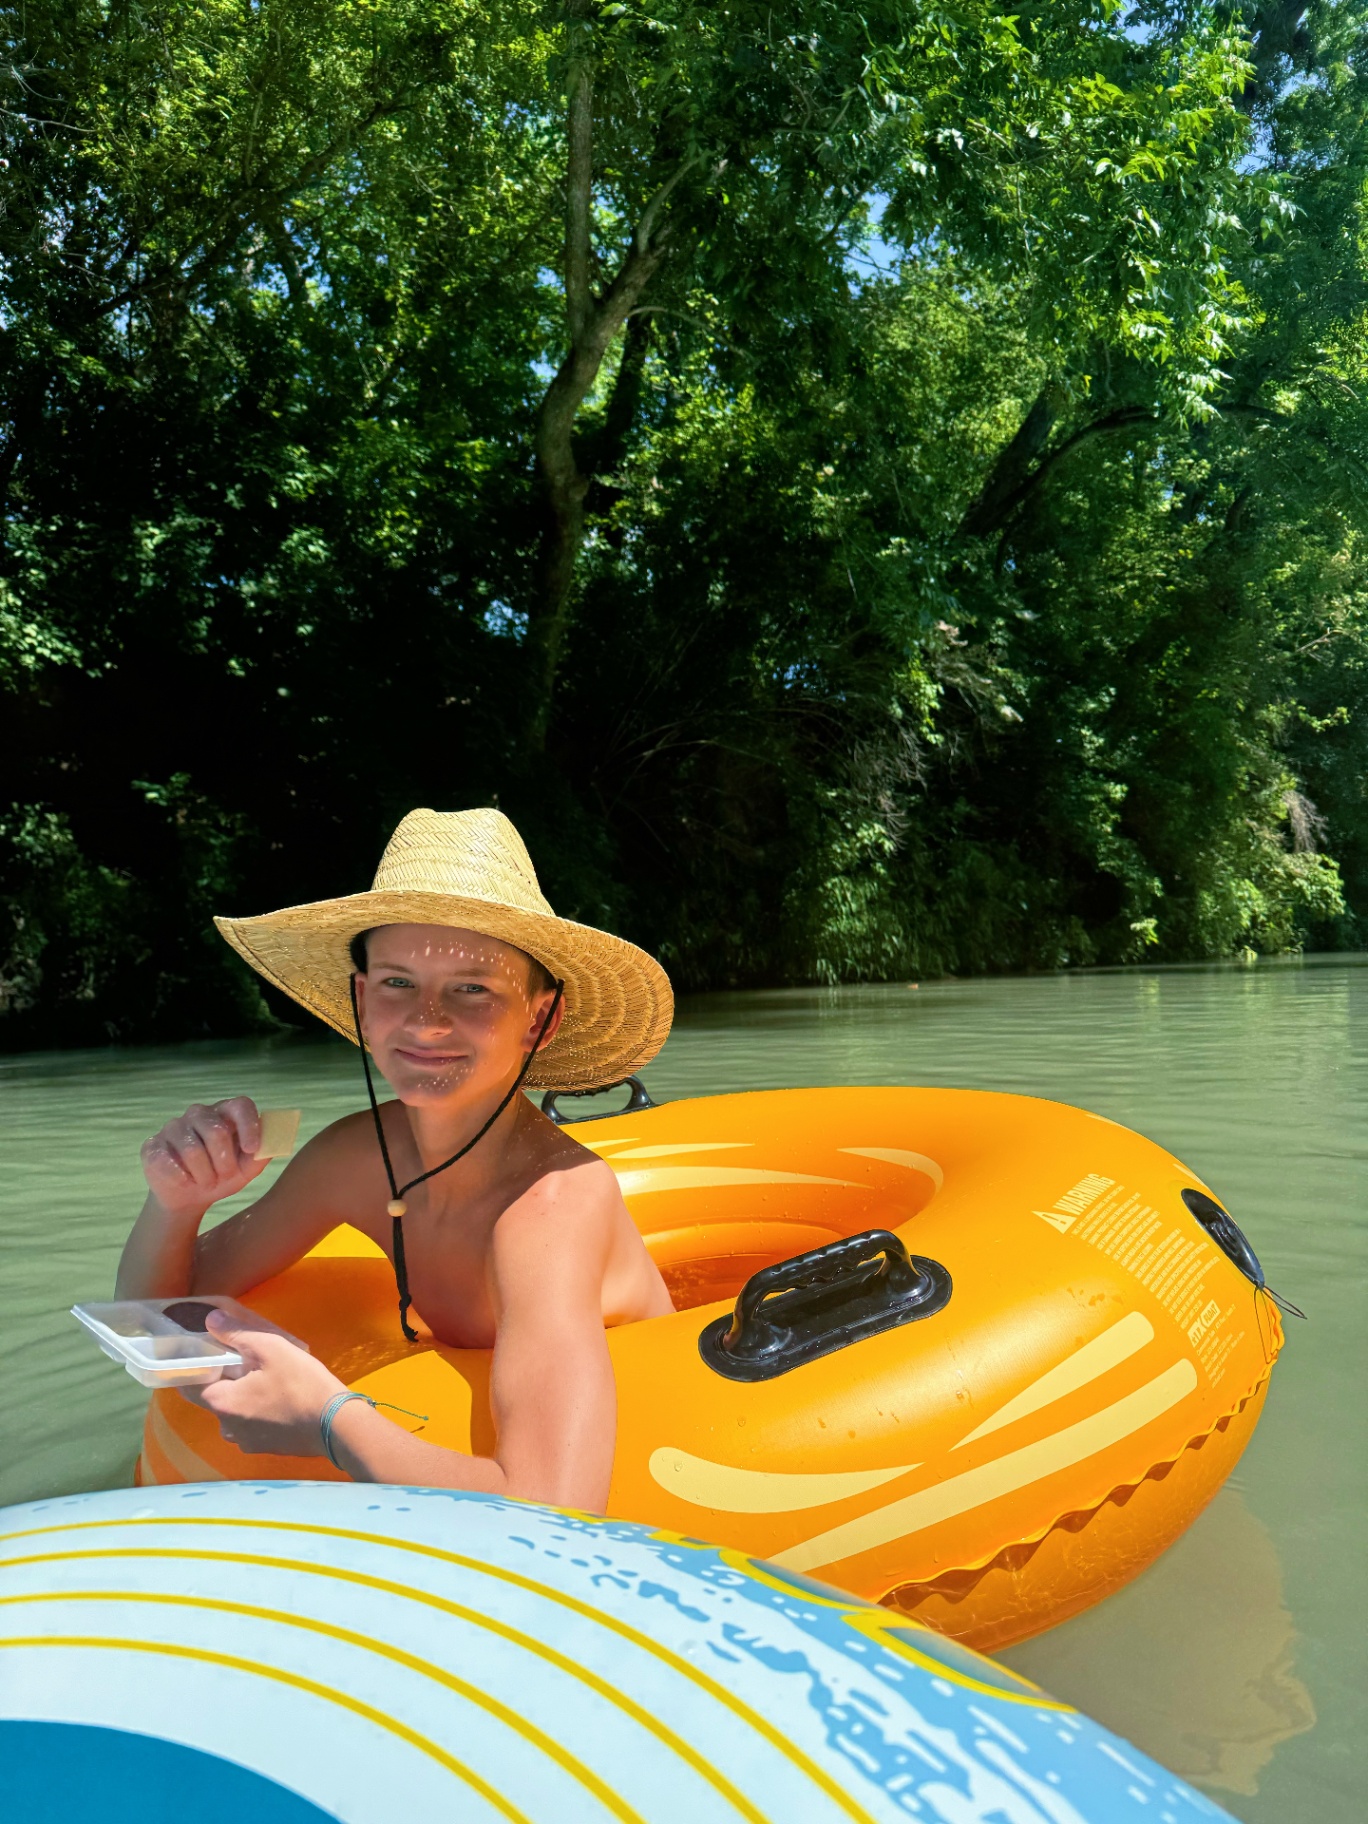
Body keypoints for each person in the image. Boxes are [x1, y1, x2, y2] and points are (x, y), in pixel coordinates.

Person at [116, 807, 674, 1512]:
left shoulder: (553, 1212)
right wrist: (177, 1201)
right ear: (361, 999)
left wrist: (330, 1421)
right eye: (397, 984)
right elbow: (156, 1310)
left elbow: (556, 1509)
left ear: (539, 1018)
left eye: (473, 988)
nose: (426, 1020)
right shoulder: (357, 1156)